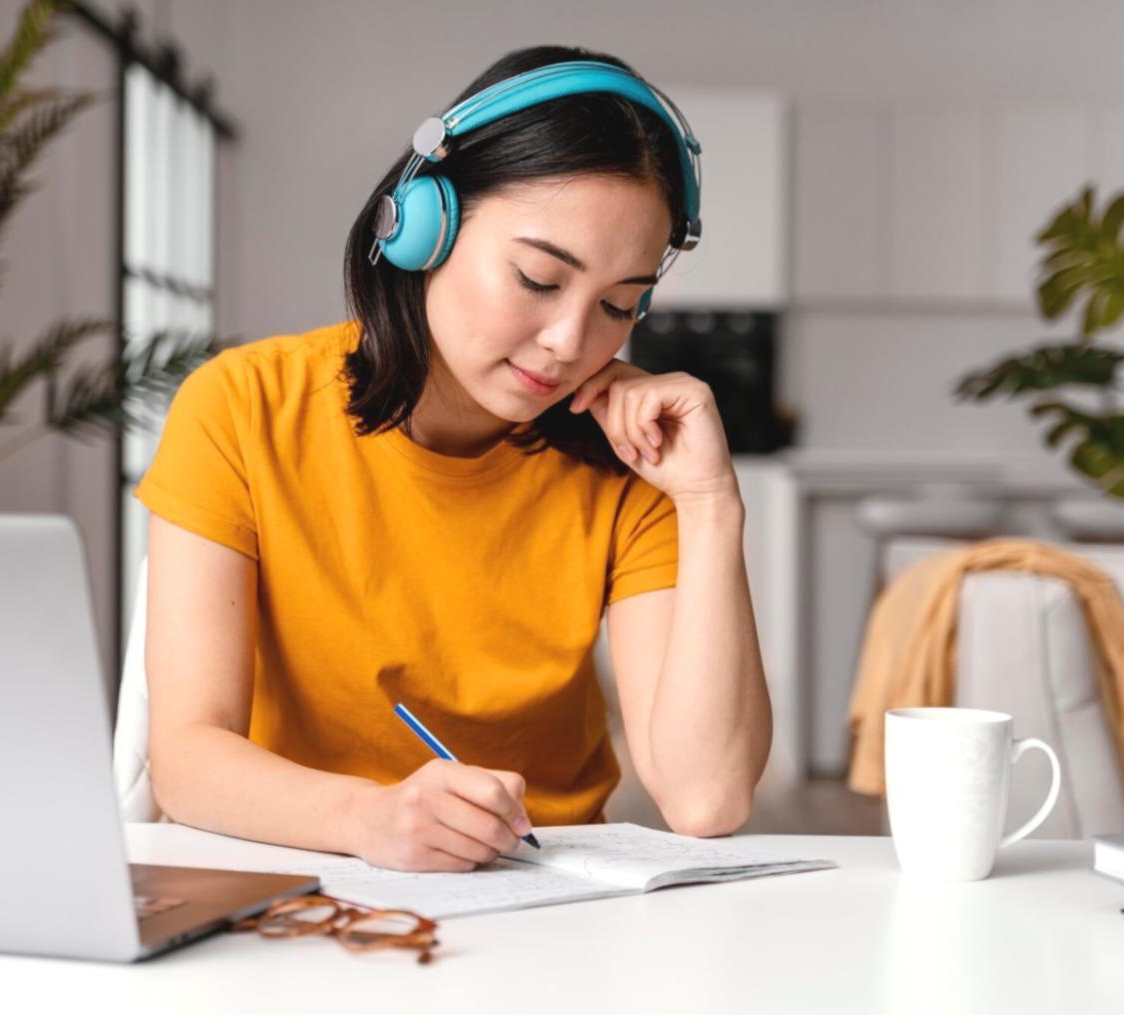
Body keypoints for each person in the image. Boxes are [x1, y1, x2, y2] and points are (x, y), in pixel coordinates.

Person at [136, 44, 771, 874]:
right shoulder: (243, 408)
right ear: (423, 225)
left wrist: (712, 503)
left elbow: (706, 797)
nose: (571, 342)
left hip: (549, 901)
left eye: (620, 304)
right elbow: (185, 760)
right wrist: (371, 818)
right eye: (539, 279)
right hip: (306, 872)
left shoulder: (635, 459)